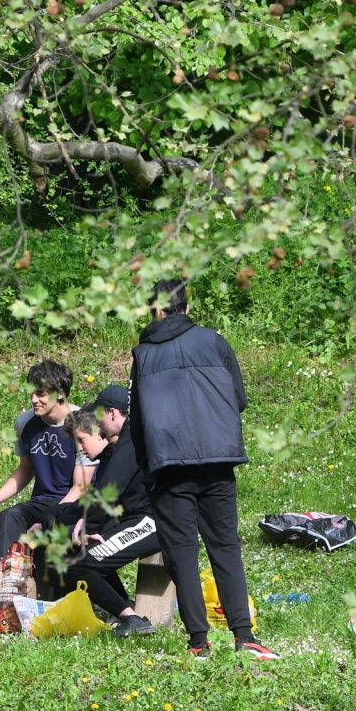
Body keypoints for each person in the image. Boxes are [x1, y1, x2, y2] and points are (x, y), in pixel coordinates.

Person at [130, 279, 274, 659]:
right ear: (187, 308)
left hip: (169, 468)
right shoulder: (214, 341)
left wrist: (148, 469)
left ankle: (198, 641)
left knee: (181, 552)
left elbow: (137, 422)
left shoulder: (143, 355)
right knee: (225, 546)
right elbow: (238, 399)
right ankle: (244, 635)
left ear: (155, 309)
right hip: (217, 461)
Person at [0, 358, 91, 588]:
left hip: (75, 505)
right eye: (32, 393)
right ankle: (6, 586)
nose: (34, 399)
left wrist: (48, 521)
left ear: (60, 393)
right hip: (42, 501)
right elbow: (26, 468)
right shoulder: (25, 423)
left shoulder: (82, 423)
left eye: (41, 394)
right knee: (10, 516)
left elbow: (80, 487)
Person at [66, 392, 157, 637]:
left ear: (113, 413)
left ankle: (130, 618)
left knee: (79, 565)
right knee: (77, 556)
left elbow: (110, 488)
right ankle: (125, 612)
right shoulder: (129, 437)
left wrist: (90, 527)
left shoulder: (133, 437)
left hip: (152, 522)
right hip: (136, 518)